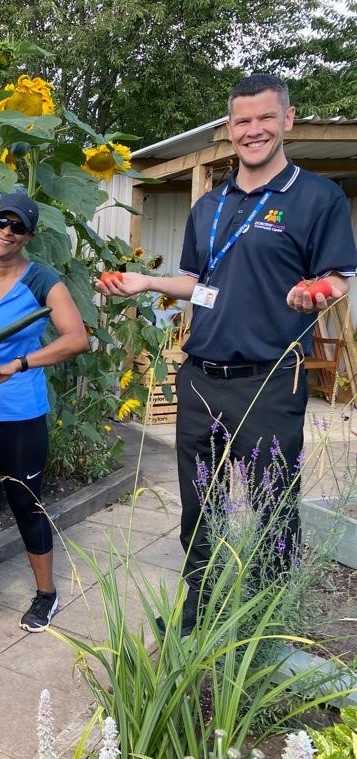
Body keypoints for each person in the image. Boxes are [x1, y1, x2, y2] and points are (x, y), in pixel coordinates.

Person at [97, 73, 357, 633]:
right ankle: (199, 613)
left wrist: (316, 293)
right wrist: (145, 283)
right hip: (200, 377)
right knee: (200, 507)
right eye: (243, 120)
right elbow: (201, 285)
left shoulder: (317, 198)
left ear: (287, 120)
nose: (254, 130)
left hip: (268, 381)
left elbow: (337, 278)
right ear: (229, 129)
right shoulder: (209, 206)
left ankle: (261, 627)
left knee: (271, 511)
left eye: (266, 117)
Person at [0, 190, 89, 631]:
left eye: (16, 226)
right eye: (0, 222)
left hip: (21, 412)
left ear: (28, 235)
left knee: (27, 505)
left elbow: (76, 338)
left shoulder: (43, 281)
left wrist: (18, 363)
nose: (5, 232)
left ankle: (46, 593)